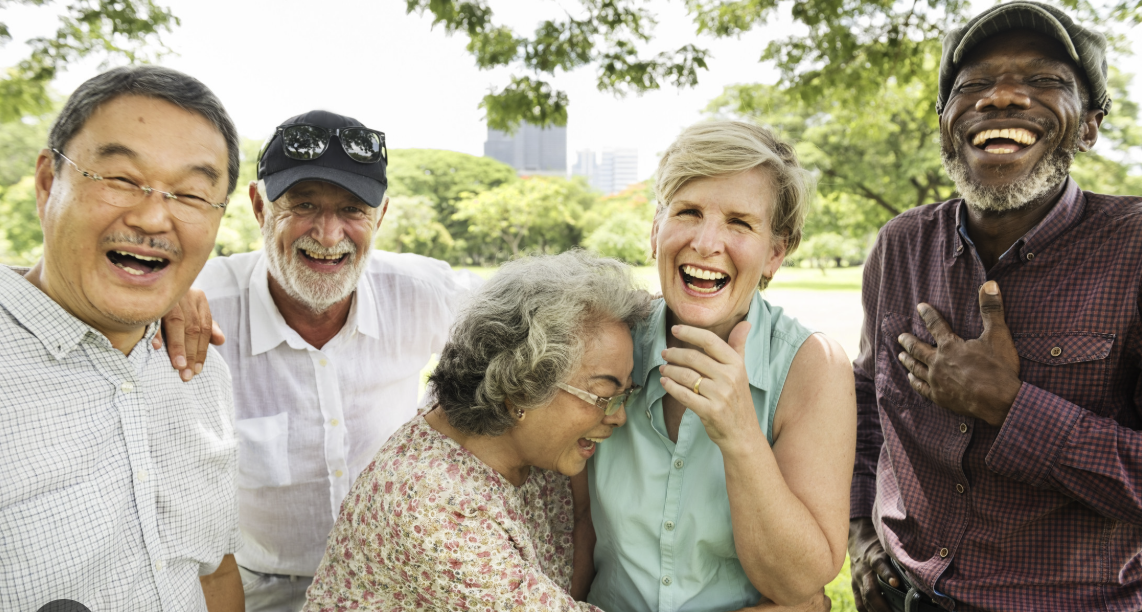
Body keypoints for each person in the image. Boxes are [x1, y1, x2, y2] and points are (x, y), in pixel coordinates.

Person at [847, 3, 1142, 611]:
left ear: (1088, 125)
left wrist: (1009, 407)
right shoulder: (900, 245)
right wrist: (861, 538)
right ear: (945, 122)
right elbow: (866, 407)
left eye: (1043, 81)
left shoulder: (1134, 250)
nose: (1002, 97)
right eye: (973, 85)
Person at [181, 110, 480, 611]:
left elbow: (532, 322)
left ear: (380, 216)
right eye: (303, 205)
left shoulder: (421, 292)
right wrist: (159, 300)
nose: (327, 233)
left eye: (352, 209)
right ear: (259, 207)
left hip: (395, 579)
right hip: (258, 586)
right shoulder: (201, 305)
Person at [584, 121, 856, 612]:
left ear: (776, 252)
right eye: (688, 212)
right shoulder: (604, 341)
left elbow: (798, 584)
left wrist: (740, 434)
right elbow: (567, 531)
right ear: (655, 231)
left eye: (739, 222)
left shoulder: (813, 367)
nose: (707, 243)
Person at [0, 66, 243, 611]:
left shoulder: (199, 365)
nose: (155, 216)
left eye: (191, 195)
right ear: (47, 182)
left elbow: (213, 569)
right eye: (121, 179)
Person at [302, 250, 653, 611]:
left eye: (625, 394)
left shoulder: (525, 443)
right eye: (605, 395)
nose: (618, 416)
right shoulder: (435, 506)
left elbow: (580, 519)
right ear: (523, 385)